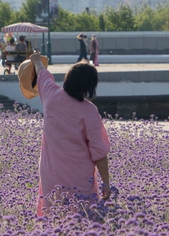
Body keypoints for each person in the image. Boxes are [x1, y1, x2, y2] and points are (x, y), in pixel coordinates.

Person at [28, 51, 111, 216]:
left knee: (54, 215)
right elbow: (99, 153)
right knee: (84, 217)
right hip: (79, 176)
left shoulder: (51, 95)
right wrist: (106, 183)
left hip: (51, 172)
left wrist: (36, 60)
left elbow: (42, 74)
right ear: (89, 87)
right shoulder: (89, 111)